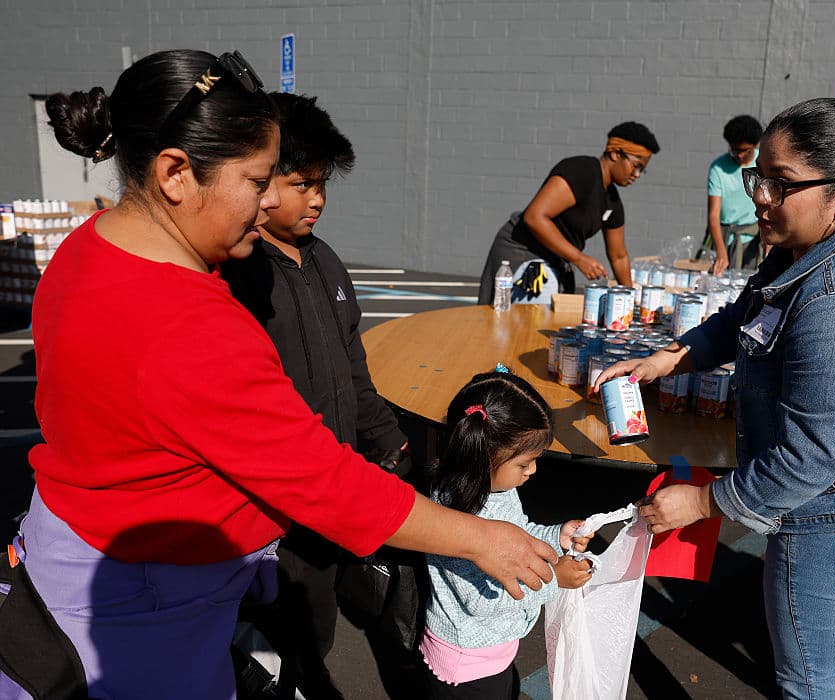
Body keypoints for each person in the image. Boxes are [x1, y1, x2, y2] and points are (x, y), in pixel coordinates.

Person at [0, 49, 556, 700]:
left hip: (76, 554)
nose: (268, 204)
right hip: (147, 610)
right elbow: (325, 482)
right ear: (177, 173)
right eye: (258, 180)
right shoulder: (193, 326)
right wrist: (480, 537)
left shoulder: (84, 249)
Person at [596, 97, 835, 698]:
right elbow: (740, 318)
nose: (760, 198)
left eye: (781, 183)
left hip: (827, 516)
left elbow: (808, 461)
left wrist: (700, 502)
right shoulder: (799, 252)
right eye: (758, 178)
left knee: (806, 681)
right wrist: (669, 357)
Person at [219, 92, 413, 698]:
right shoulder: (237, 270)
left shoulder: (326, 262)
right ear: (262, 179)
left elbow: (353, 366)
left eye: (322, 185)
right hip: (270, 502)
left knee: (317, 618)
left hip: (333, 485)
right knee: (265, 632)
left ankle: (301, 676)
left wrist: (389, 441)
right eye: (302, 184)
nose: (317, 200)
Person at [420, 370, 594, 699]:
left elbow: (518, 536)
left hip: (489, 654)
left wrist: (557, 537)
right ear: (486, 456)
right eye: (525, 463)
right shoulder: (455, 516)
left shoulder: (496, 487)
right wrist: (554, 579)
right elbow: (483, 602)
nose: (533, 471)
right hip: (466, 666)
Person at [477, 122, 660, 305]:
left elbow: (618, 256)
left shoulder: (613, 202)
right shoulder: (582, 171)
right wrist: (579, 258)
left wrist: (630, 298)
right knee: (528, 324)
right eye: (635, 165)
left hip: (555, 260)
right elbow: (535, 217)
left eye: (642, 170)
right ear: (614, 153)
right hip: (524, 253)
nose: (637, 174)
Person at [704, 115, 765, 275]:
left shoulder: (763, 162)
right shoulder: (718, 168)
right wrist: (721, 252)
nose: (738, 155)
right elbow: (713, 216)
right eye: (734, 150)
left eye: (744, 151)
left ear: (755, 145)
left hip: (754, 239)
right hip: (725, 239)